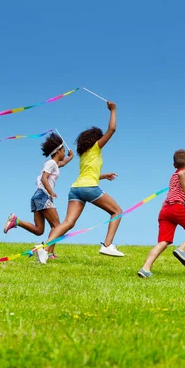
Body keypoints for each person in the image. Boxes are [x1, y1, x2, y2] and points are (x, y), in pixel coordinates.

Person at [34, 101, 123, 264]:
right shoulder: (96, 147)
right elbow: (112, 129)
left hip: (76, 189)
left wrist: (103, 176)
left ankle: (44, 248)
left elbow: (88, 174)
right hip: (88, 188)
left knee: (68, 223)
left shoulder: (84, 154)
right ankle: (107, 245)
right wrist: (113, 110)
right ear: (96, 139)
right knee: (117, 211)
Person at [3, 133, 74, 258]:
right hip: (43, 195)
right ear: (58, 152)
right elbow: (44, 178)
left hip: (38, 196)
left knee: (39, 230)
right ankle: (49, 252)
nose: (64, 153)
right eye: (63, 151)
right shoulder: (51, 163)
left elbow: (62, 163)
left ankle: (16, 221)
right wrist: (51, 192)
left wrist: (70, 157)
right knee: (57, 226)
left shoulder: (53, 164)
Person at [137, 149, 185, 278]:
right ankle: (182, 250)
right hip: (176, 208)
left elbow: (179, 181)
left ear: (174, 165)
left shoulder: (173, 175)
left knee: (163, 241)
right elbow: (182, 174)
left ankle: (145, 269)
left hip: (165, 210)